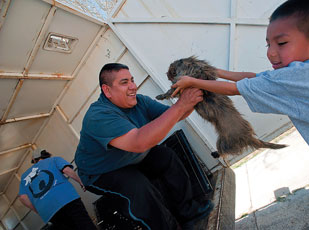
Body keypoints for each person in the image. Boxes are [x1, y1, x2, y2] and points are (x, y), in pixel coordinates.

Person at [171, 0, 309, 188]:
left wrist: (192, 82)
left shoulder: (292, 77)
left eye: (281, 43)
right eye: (268, 44)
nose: (270, 53)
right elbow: (252, 78)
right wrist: (215, 71)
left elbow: (234, 89)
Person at [75, 63, 213, 230]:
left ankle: (188, 211)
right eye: (124, 82)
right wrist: (181, 105)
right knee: (136, 186)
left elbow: (175, 116)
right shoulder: (98, 116)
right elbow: (139, 142)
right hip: (101, 171)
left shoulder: (140, 102)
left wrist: (194, 97)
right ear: (107, 90)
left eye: (132, 80)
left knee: (166, 156)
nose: (133, 86)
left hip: (128, 156)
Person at [18, 148, 96, 230]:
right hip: (67, 199)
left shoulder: (24, 177)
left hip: (48, 211)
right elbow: (66, 170)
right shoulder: (53, 160)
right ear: (47, 154)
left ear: (34, 159)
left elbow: (23, 197)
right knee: (85, 225)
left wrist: (39, 211)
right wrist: (80, 182)